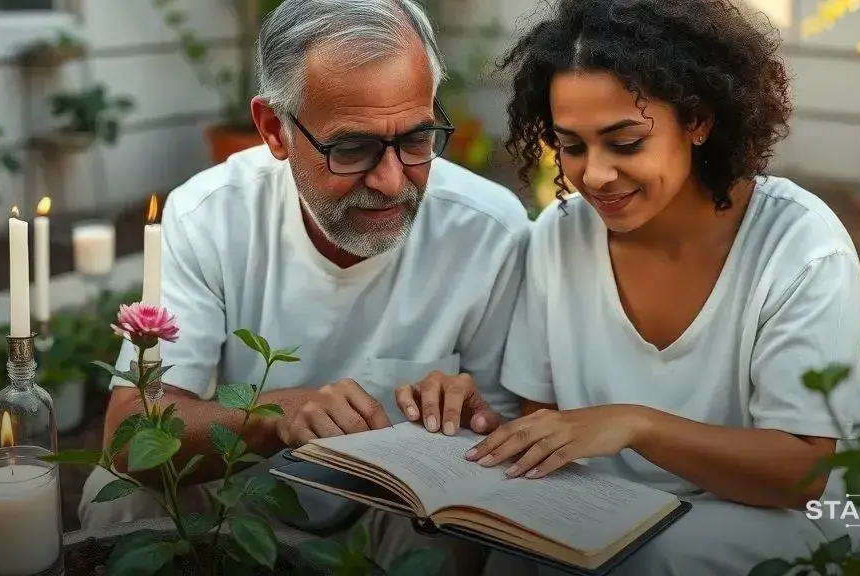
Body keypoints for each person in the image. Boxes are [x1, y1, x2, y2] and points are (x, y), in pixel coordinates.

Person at [77, 1, 530, 574]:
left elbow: (516, 437)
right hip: (237, 500)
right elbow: (130, 434)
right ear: (275, 130)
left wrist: (473, 417)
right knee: (116, 497)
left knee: (452, 533)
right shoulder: (210, 214)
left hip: (392, 518)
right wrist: (278, 416)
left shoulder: (489, 230)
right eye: (352, 148)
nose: (392, 181)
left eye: (417, 140)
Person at [463, 0, 860, 574]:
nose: (596, 175)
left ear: (698, 120)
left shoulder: (799, 247)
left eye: (625, 142)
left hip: (769, 516)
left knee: (656, 555)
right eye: (572, 146)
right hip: (606, 509)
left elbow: (798, 474)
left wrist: (637, 424)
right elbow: (544, 417)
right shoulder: (558, 235)